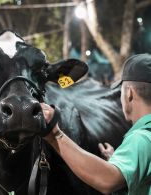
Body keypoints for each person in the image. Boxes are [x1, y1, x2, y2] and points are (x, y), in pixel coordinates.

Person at [41, 54, 151, 195]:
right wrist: (121, 164)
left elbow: (107, 181)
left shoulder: (141, 139)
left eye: (121, 91)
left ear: (129, 93)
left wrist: (54, 135)